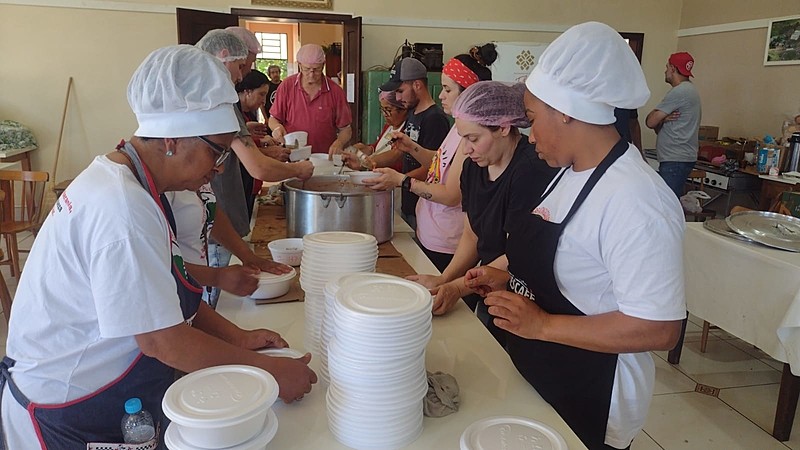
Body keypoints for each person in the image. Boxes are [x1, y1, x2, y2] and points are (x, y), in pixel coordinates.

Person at [0, 45, 316, 449]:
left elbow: (163, 288)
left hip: (106, 390)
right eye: (216, 152)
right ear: (171, 139)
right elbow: (161, 340)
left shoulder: (132, 183)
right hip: (72, 403)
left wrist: (235, 337)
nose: (217, 170)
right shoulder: (122, 208)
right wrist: (267, 372)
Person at [464, 22, 685, 449]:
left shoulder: (637, 199)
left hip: (593, 391)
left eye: (531, 118)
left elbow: (659, 328)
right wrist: (505, 276)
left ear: (565, 110)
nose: (529, 133)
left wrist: (543, 325)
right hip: (540, 369)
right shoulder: (565, 173)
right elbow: (567, 260)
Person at [412, 81, 557, 337]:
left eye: (473, 139)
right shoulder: (473, 167)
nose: (466, 150)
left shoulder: (532, 170)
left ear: (503, 127)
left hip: (524, 297)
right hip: (487, 287)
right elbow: (472, 234)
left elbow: (517, 253)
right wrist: (445, 279)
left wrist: (458, 288)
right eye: (463, 139)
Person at [196, 29, 313, 308]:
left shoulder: (218, 105)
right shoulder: (218, 105)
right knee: (213, 304)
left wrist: (249, 257)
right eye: (242, 67)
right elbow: (258, 168)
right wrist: (297, 169)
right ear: (223, 58)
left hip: (215, 220)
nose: (241, 77)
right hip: (207, 230)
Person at [364, 49, 498, 272]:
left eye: (447, 89)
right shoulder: (457, 127)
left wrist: (403, 181)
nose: (441, 95)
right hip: (432, 233)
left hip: (448, 241)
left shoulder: (471, 137)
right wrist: (412, 147)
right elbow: (441, 161)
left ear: (468, 94)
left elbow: (451, 195)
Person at [372, 57, 450, 228]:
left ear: (417, 85)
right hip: (409, 201)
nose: (398, 98)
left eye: (400, 91)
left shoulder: (434, 118)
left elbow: (434, 168)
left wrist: (400, 180)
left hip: (426, 204)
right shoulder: (413, 113)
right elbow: (402, 152)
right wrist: (368, 163)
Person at [268, 44, 353, 156]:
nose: (312, 75)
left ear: (323, 65)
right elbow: (273, 119)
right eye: (307, 69)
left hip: (324, 157)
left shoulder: (335, 91)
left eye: (317, 70)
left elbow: (346, 129)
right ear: (299, 65)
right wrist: (277, 129)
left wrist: (339, 142)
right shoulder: (287, 86)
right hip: (292, 155)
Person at [235, 69, 291, 218]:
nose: (264, 101)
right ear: (247, 92)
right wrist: (296, 169)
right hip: (238, 185)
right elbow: (236, 153)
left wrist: (261, 142)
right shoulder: (233, 114)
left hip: (251, 184)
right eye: (261, 94)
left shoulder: (247, 114)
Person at [645, 51, 702, 197]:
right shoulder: (690, 90)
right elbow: (658, 127)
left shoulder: (680, 92)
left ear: (673, 68)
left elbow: (650, 122)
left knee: (666, 204)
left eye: (667, 67)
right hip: (678, 158)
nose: (665, 71)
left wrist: (659, 119)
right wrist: (663, 119)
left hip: (675, 160)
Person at [343, 90, 408, 172]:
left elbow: (395, 155)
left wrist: (364, 161)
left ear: (403, 109)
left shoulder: (406, 130)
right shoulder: (388, 126)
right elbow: (376, 149)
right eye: (382, 109)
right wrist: (358, 150)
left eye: (388, 110)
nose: (384, 114)